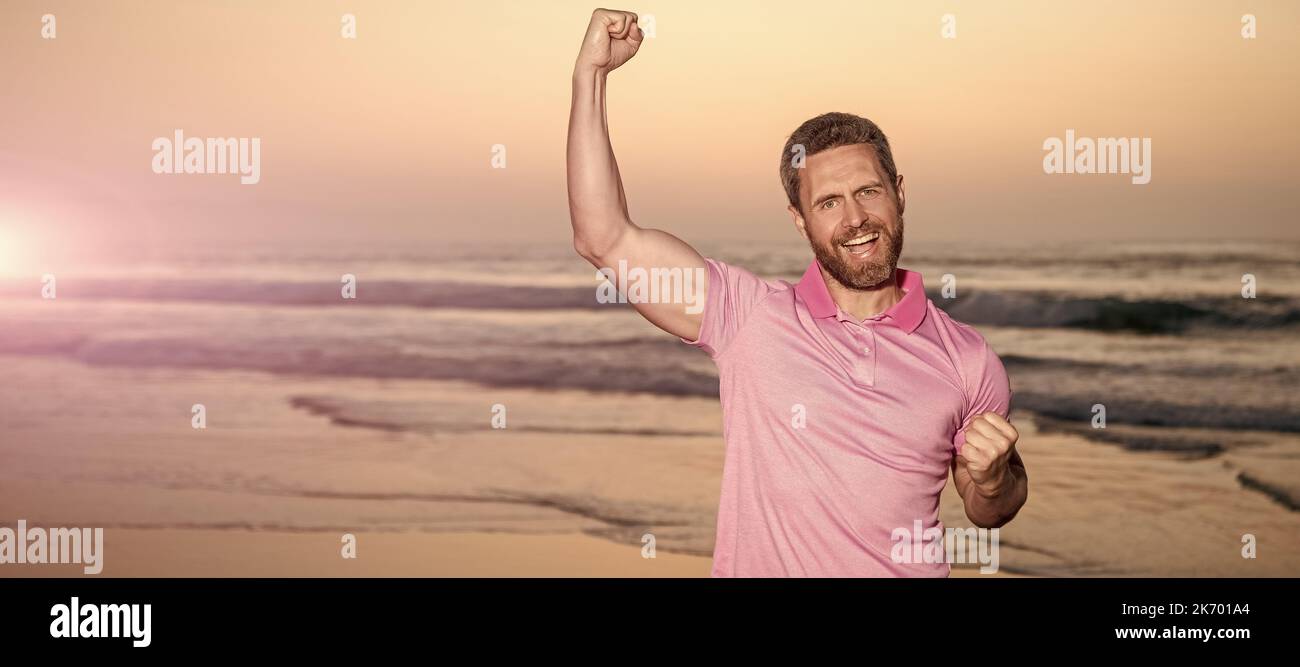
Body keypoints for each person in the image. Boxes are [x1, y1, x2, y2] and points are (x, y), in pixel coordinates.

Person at [567, 8, 1027, 577]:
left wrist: (994, 476)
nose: (856, 219)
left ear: (899, 193)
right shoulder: (746, 317)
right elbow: (604, 237)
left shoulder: (969, 360)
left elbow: (991, 509)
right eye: (829, 202)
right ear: (799, 218)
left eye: (868, 191)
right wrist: (590, 75)